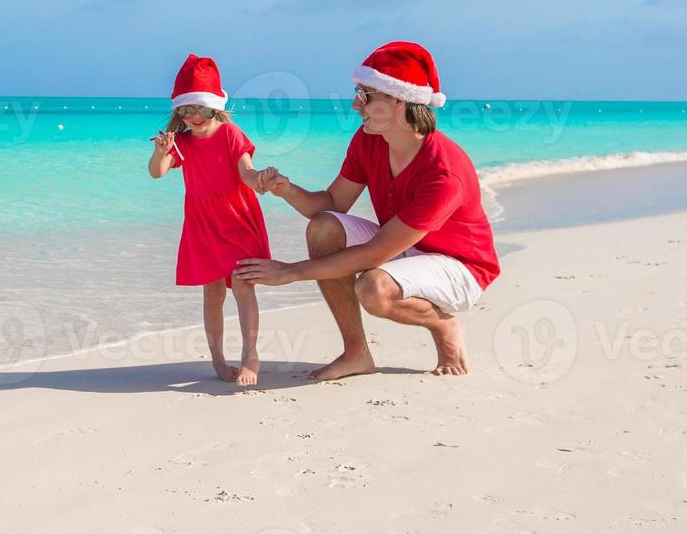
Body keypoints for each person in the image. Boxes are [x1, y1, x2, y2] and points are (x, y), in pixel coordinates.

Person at [235, 42, 499, 379]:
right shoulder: (369, 140)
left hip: (461, 267)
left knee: (373, 290)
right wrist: (287, 190)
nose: (355, 104)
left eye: (366, 95)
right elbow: (331, 205)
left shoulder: (444, 172)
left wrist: (291, 272)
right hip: (405, 246)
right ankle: (356, 353)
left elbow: (375, 252)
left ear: (398, 99)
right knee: (323, 226)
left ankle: (444, 325)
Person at [149, 54, 271, 387]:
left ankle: (250, 357)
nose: (195, 117)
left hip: (236, 218)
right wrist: (162, 151)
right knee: (213, 293)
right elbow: (156, 173)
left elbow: (246, 172)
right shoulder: (183, 143)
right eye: (187, 111)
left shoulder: (231, 134)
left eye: (200, 108)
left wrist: (260, 178)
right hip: (203, 226)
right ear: (179, 113)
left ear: (214, 107)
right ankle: (218, 361)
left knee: (243, 285)